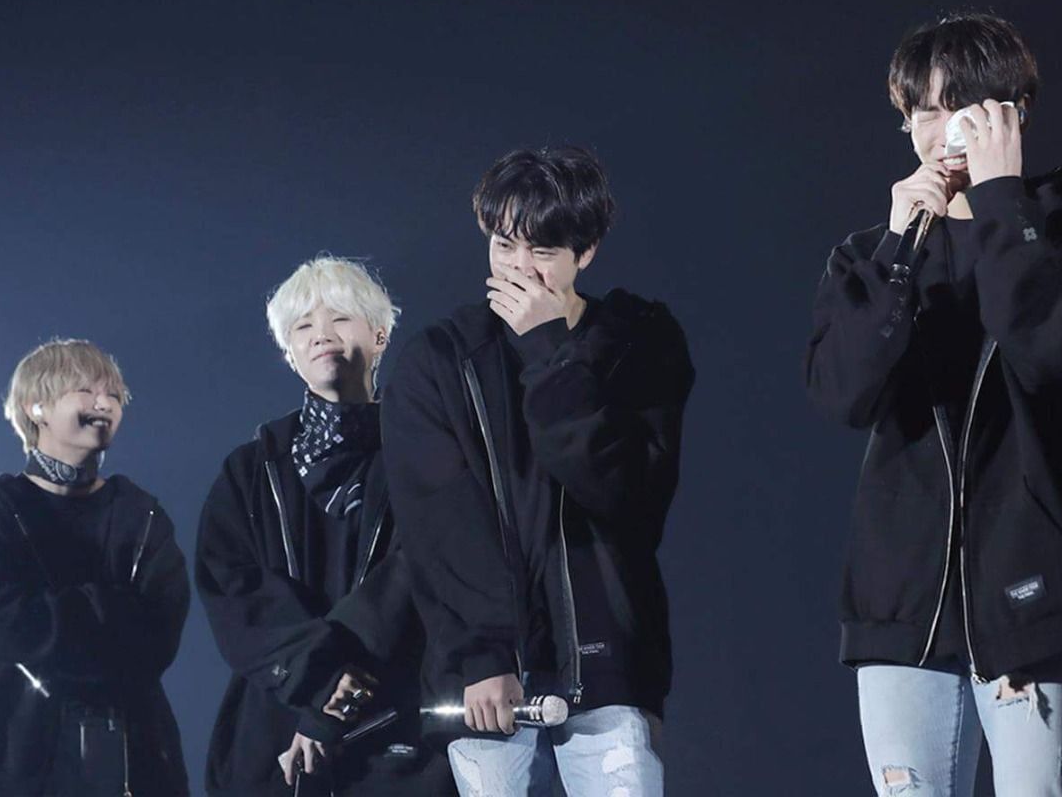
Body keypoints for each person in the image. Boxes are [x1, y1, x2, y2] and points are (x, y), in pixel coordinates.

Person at [806, 12, 1062, 797]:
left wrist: (1001, 202)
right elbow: (842, 395)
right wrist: (897, 253)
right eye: (920, 111)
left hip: (1030, 598)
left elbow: (1057, 359)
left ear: (1012, 112)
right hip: (899, 608)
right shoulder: (873, 254)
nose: (938, 131)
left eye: (959, 107)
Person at [382, 146, 694, 794]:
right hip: (487, 677)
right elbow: (437, 522)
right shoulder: (439, 360)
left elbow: (626, 494)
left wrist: (550, 351)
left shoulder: (639, 342)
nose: (519, 268)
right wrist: (484, 653)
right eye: (503, 246)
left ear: (587, 252)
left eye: (543, 251)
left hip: (610, 661)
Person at [195, 256, 453, 794]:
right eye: (302, 326)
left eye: (340, 317)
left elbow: (416, 573)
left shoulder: (424, 452)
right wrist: (319, 683)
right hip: (275, 732)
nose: (321, 335)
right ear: (289, 354)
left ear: (380, 335)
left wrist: (336, 702)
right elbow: (235, 594)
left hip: (400, 734)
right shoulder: (249, 470)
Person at [0, 338, 190, 797]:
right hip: (19, 763)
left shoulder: (142, 515)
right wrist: (110, 608)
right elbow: (8, 630)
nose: (104, 403)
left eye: (113, 394)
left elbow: (157, 639)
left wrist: (49, 615)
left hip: (137, 766)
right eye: (86, 390)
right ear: (36, 407)